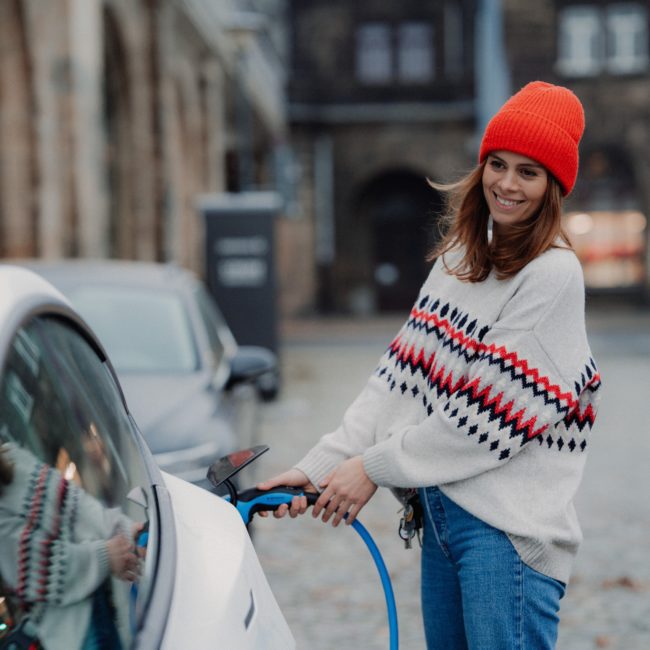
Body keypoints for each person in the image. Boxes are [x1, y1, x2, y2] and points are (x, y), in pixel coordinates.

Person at [258, 81, 602, 649]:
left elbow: (485, 419)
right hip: (442, 518)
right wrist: (323, 465)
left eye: (529, 172)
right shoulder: (459, 260)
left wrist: (371, 468)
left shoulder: (553, 275)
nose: (507, 184)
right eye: (497, 164)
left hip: (505, 536)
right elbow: (399, 379)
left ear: (554, 188)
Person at [0, 441, 142, 650]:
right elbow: (41, 569)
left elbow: (76, 505)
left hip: (102, 602)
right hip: (77, 637)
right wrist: (107, 555)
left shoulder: (14, 456)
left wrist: (125, 530)